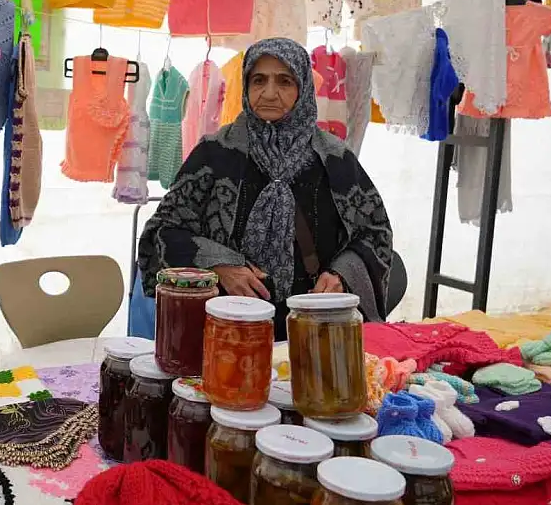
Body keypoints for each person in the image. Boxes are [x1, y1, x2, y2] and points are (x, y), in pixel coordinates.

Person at [138, 38, 393, 339]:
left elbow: (374, 233)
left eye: (284, 81)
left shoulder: (333, 158)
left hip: (315, 329)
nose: (269, 93)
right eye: (259, 80)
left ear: (303, 88)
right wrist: (219, 265)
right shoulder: (215, 153)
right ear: (245, 87)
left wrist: (340, 276)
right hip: (222, 326)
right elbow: (163, 231)